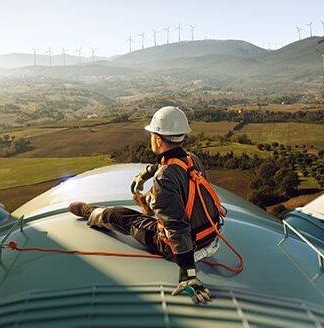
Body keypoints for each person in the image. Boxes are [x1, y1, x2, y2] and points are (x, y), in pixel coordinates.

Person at [68, 106, 223, 304]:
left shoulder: (164, 178)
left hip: (185, 247)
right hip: (211, 237)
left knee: (121, 216)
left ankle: (91, 213)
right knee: (156, 206)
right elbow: (168, 164)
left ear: (158, 139)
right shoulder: (192, 159)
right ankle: (142, 206)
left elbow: (177, 226)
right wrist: (144, 175)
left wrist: (188, 274)